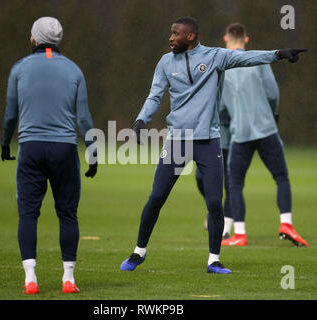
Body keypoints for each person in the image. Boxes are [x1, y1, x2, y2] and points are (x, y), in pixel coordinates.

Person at [119, 16, 307, 274]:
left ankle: (213, 260)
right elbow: (154, 95)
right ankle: (139, 252)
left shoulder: (216, 56)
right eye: (171, 33)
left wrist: (279, 54)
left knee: (215, 203)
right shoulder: (165, 62)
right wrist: (141, 119)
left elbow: (247, 58)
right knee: (157, 197)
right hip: (178, 142)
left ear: (191, 36)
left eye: (176, 33)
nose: (171, 38)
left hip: (208, 141)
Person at [1, 17, 98, 294]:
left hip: (30, 148)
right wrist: (92, 151)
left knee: (28, 214)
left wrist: (5, 143)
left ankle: (30, 279)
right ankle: (69, 279)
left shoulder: (19, 68)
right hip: (64, 149)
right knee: (68, 214)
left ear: (33, 38)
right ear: (59, 40)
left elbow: (10, 114)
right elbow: (84, 118)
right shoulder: (74, 70)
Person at [219, 23, 308, 247]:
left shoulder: (222, 68)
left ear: (226, 40)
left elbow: (220, 106)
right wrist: (274, 115)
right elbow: (272, 92)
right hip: (266, 128)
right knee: (281, 177)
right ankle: (285, 222)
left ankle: (239, 233)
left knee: (235, 183)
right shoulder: (258, 60)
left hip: (240, 132)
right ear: (246, 40)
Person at [195, 104, 232, 239]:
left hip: (229, 140)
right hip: (207, 138)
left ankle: (225, 228)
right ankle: (212, 209)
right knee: (200, 177)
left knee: (231, 184)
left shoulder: (233, 84)